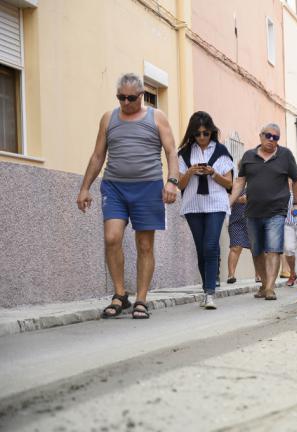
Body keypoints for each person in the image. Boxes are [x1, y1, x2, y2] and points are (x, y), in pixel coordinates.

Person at [76, 73, 179, 319]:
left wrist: (172, 182)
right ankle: (120, 294)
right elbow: (98, 156)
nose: (125, 102)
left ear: (141, 96)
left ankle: (141, 299)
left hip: (148, 187)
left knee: (144, 245)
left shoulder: (156, 117)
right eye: (121, 97)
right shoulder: (108, 118)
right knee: (112, 238)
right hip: (115, 187)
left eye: (130, 98)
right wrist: (84, 187)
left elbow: (171, 152)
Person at [229, 123, 297, 300]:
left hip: (276, 211)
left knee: (273, 249)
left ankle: (270, 287)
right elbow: (240, 181)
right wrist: (229, 202)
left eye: (275, 137)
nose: (271, 140)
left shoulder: (285, 155)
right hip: (252, 211)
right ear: (260, 136)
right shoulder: (248, 156)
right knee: (257, 250)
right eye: (268, 136)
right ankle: (263, 285)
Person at [177, 111, 233, 310]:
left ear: (212, 132)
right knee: (201, 249)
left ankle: (210, 293)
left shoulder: (221, 151)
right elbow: (179, 184)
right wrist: (191, 171)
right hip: (193, 205)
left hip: (216, 204)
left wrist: (213, 173)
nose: (202, 137)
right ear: (192, 133)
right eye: (198, 133)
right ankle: (206, 288)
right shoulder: (184, 153)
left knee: (210, 246)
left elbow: (229, 183)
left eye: (206, 133)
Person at [226, 160, 253, 285]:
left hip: (252, 220)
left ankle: (259, 275)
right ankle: (231, 275)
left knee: (256, 249)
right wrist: (237, 200)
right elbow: (226, 198)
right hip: (236, 219)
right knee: (235, 247)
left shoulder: (256, 182)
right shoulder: (235, 182)